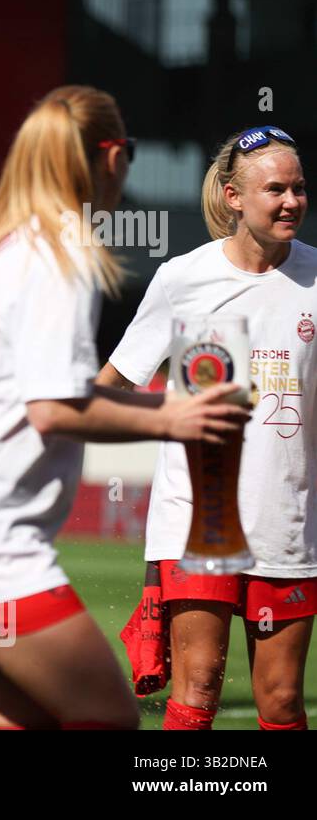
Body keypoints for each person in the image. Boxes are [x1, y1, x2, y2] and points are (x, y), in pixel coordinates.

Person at [0, 85, 251, 730]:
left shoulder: (12, 242)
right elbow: (53, 409)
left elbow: (48, 392)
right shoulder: (63, 248)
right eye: (127, 151)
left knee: (27, 721)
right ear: (109, 156)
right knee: (111, 721)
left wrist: (165, 406)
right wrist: (174, 419)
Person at [99, 125, 314, 731]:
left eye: (299, 188)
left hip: (287, 525)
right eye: (275, 189)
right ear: (232, 196)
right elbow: (112, 382)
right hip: (198, 523)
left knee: (280, 701)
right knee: (195, 696)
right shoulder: (181, 279)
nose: (292, 201)